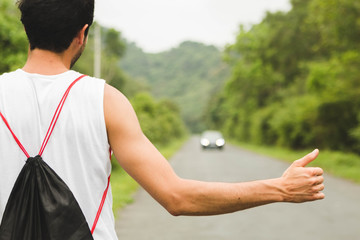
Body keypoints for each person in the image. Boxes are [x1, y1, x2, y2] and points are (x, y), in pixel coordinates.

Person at [0, 0, 325, 239]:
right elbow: (177, 197)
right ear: (82, 34)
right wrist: (280, 188)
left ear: (26, 27)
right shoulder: (104, 100)